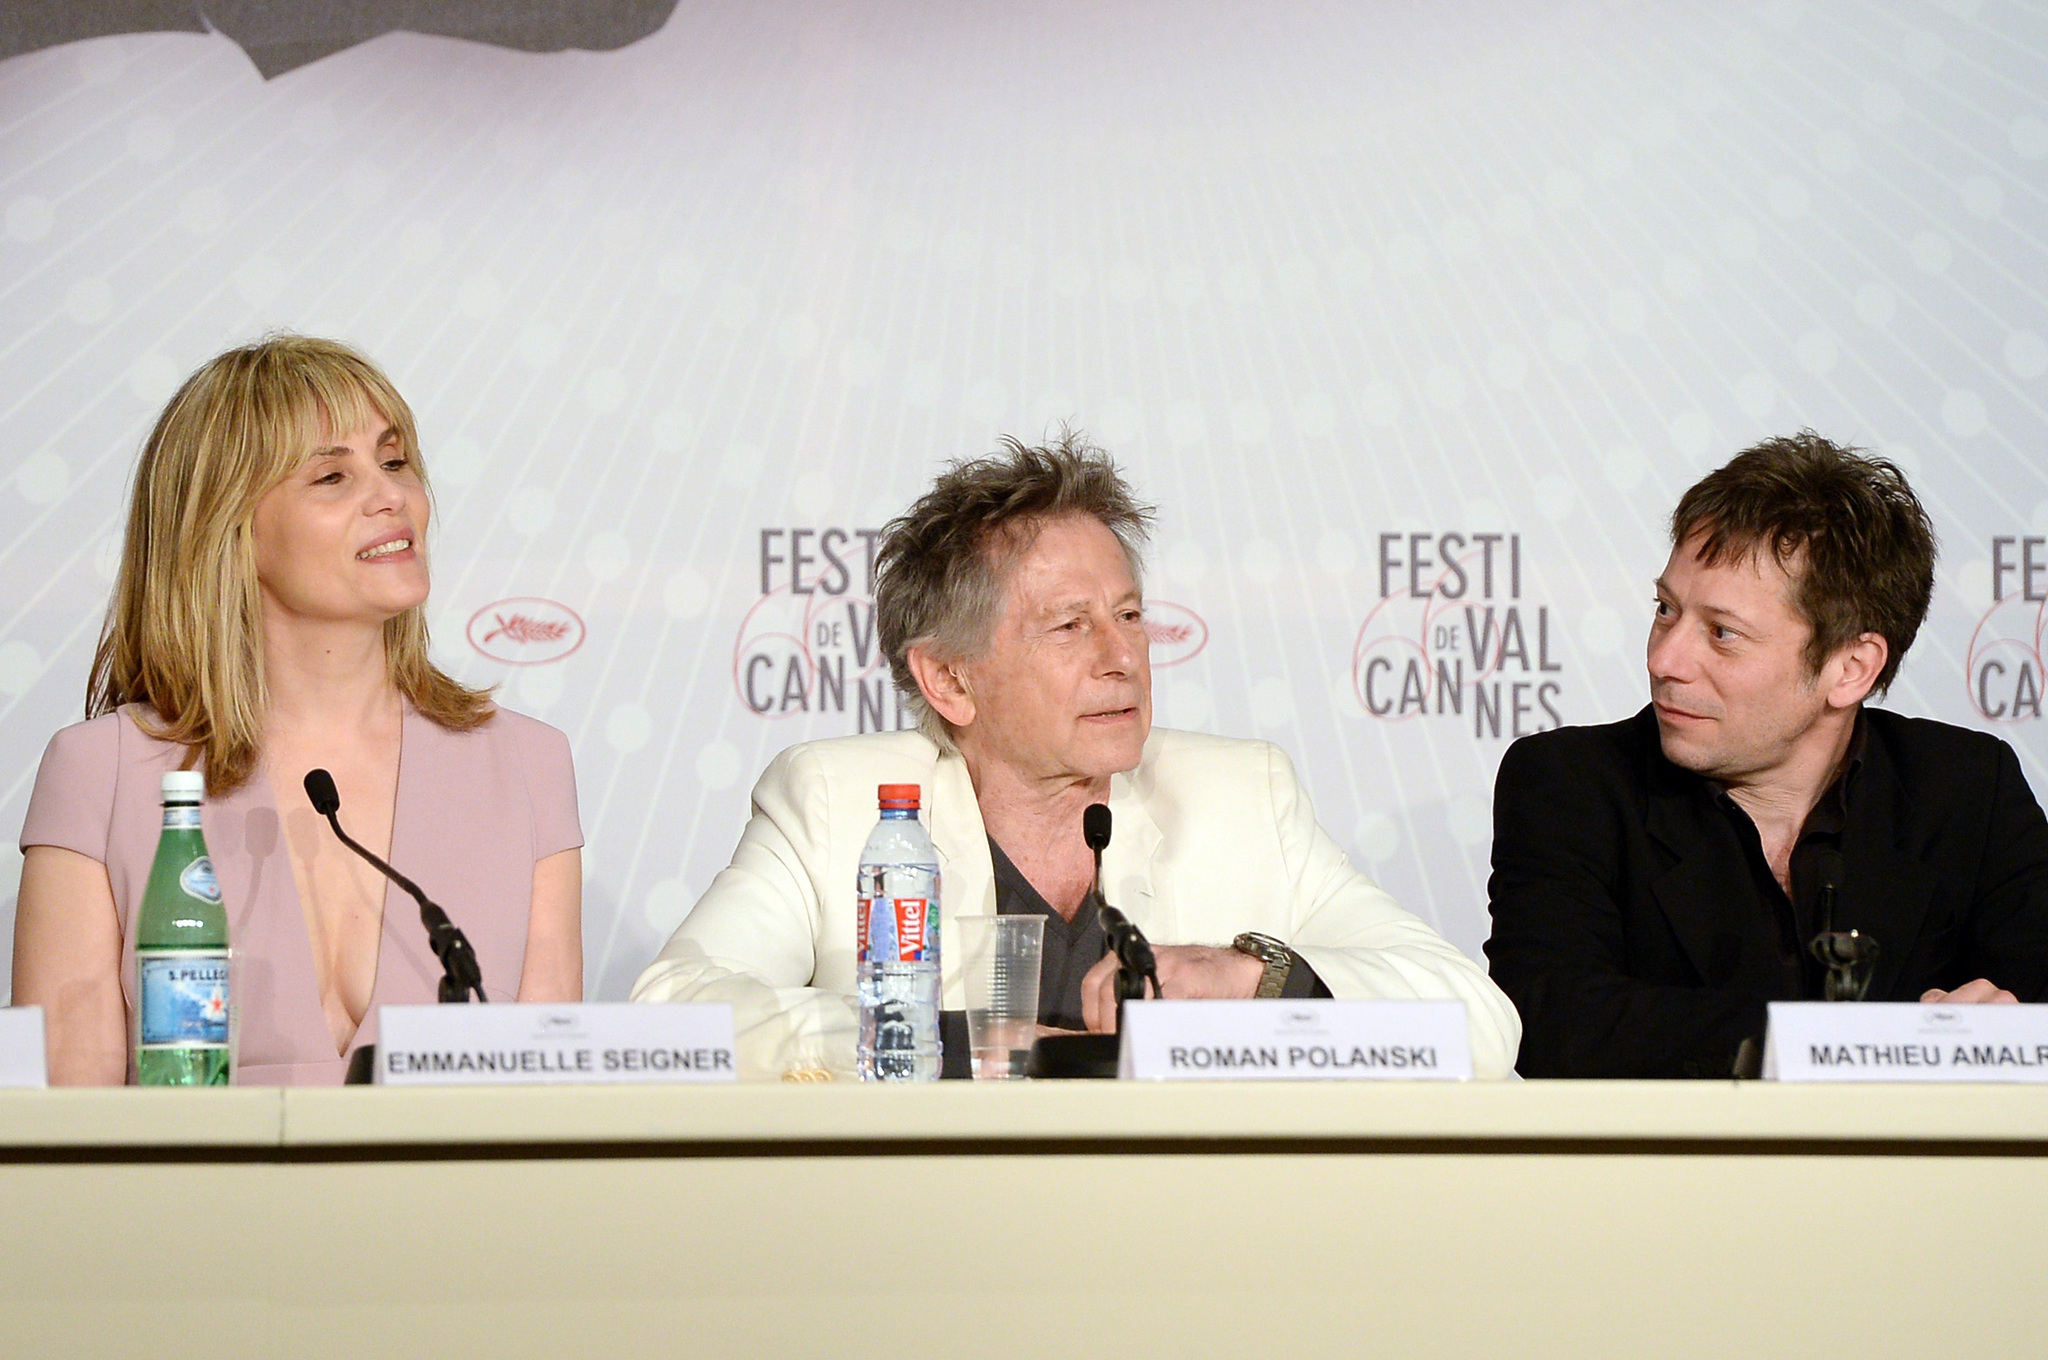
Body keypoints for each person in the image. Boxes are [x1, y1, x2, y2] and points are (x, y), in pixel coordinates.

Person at [633, 433, 1520, 1079]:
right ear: (948, 680)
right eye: (1070, 625)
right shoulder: (834, 803)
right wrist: (948, 1043)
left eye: (1129, 615)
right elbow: (669, 1015)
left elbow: (1482, 1024)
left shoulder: (1239, 795)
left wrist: (1260, 978)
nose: (1121, 654)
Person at [12, 336, 583, 1085]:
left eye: (395, 460)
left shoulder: (527, 765)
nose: (391, 497)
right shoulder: (104, 772)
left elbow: (554, 1113)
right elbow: (67, 1133)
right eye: (332, 476)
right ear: (227, 528)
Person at [1486, 432, 2048, 1078]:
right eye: (1665, 610)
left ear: (1851, 668)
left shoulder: (1966, 788)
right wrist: (1872, 1044)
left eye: (1722, 634)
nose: (1664, 660)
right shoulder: (1572, 783)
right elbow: (1552, 1017)